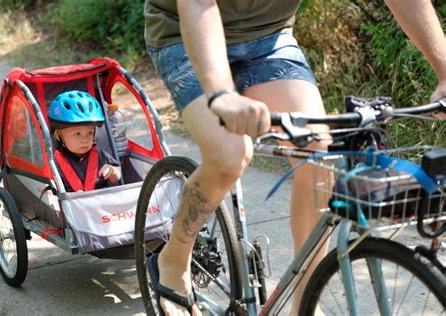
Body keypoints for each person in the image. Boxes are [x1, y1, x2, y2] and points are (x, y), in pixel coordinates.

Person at [143, 0, 446, 314]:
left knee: (321, 157)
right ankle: (173, 259)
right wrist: (222, 94)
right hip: (182, 33)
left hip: (269, 38)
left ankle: (304, 304)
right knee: (229, 155)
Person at [48, 90, 122, 192]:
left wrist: (113, 172)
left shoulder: (100, 154)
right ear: (59, 135)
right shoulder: (55, 162)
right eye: (77, 134)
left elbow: (116, 178)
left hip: (102, 203)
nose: (85, 139)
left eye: (90, 133)